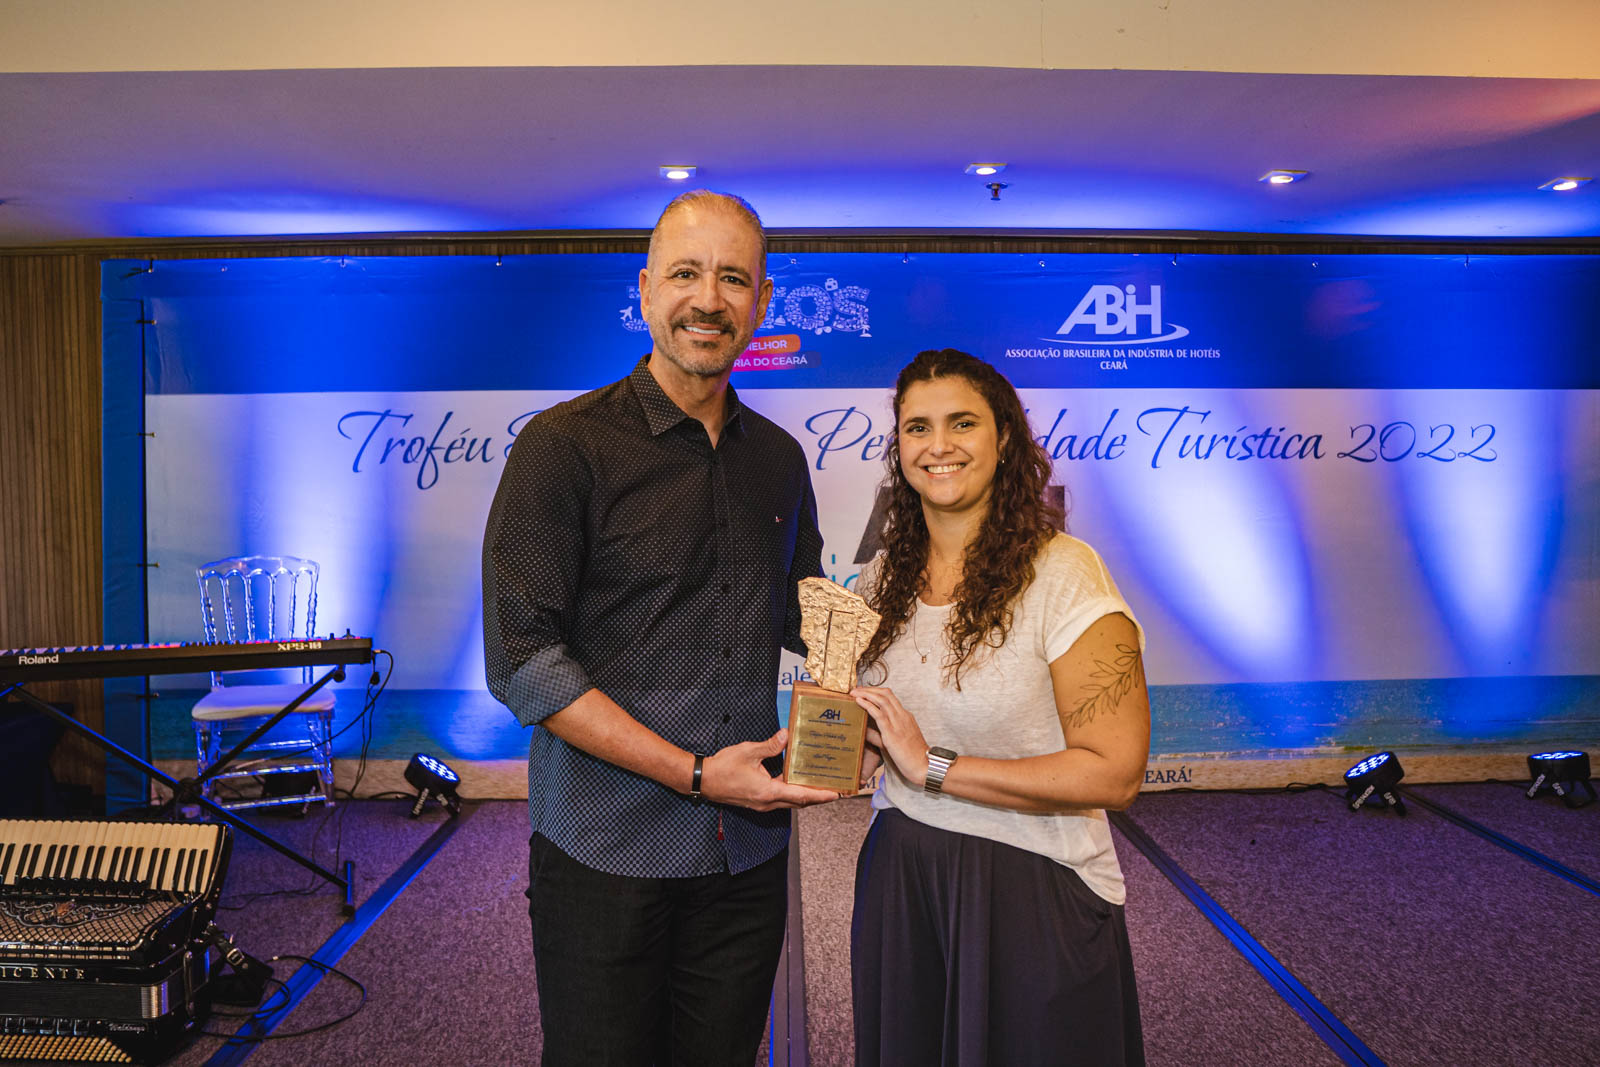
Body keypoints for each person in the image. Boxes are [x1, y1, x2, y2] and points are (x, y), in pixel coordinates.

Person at [482, 190, 839, 1067]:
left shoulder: (780, 459)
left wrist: (888, 661)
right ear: (645, 291)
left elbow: (809, 613)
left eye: (733, 279)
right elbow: (523, 659)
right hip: (604, 852)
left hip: (744, 857)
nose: (708, 299)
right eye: (685, 273)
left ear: (761, 300)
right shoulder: (563, 447)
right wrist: (695, 773)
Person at [848, 349, 1149, 1067]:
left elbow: (1115, 773)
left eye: (963, 423)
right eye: (917, 427)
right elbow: (882, 738)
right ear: (899, 447)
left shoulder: (1064, 573)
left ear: (1004, 437)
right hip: (902, 873)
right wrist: (847, 748)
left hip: (1031, 882)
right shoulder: (879, 579)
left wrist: (932, 765)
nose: (939, 445)